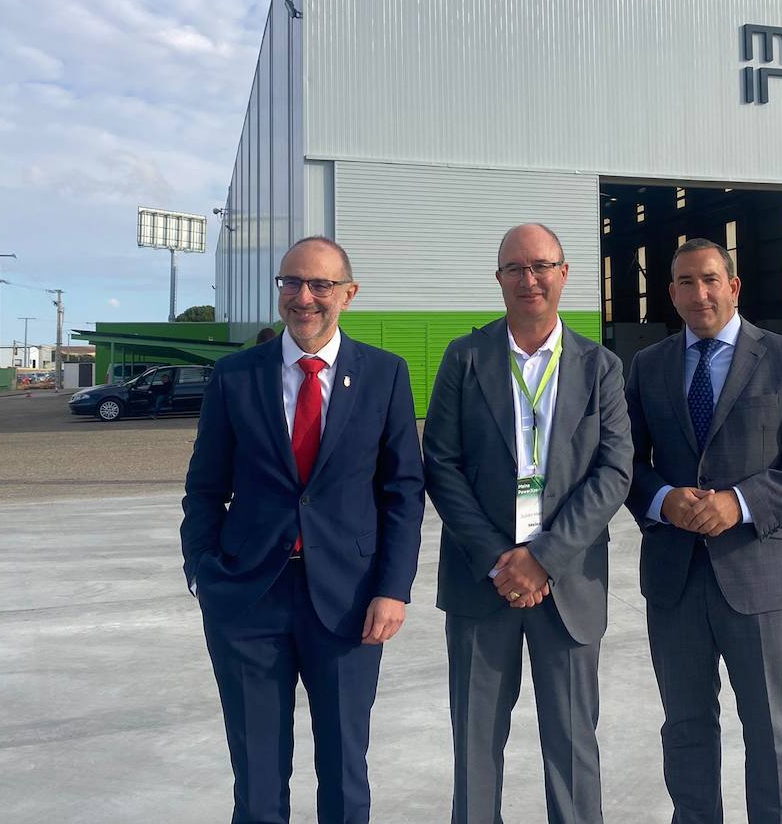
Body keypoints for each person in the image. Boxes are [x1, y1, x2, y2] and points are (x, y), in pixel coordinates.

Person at [180, 236, 425, 824]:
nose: (304, 297)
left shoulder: (384, 375)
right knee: (258, 774)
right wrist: (203, 575)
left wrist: (393, 589)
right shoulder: (236, 376)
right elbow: (205, 488)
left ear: (348, 293)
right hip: (247, 600)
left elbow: (402, 491)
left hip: (349, 602)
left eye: (319, 285)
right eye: (291, 282)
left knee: (344, 771)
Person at [624, 238, 782, 824]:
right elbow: (624, 464)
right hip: (675, 578)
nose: (700, 293)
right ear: (670, 294)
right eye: (686, 283)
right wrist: (664, 500)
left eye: (711, 279)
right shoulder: (648, 367)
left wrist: (740, 502)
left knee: (770, 727)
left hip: (760, 575)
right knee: (686, 725)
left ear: (734, 285)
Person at [422, 223, 632, 824]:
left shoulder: (601, 367)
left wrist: (543, 558)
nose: (529, 279)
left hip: (567, 584)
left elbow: (614, 472)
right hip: (479, 582)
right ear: (499, 280)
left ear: (564, 274)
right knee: (475, 746)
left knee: (572, 748)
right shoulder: (465, 358)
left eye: (541, 266)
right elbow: (441, 462)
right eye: (515, 268)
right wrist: (499, 558)